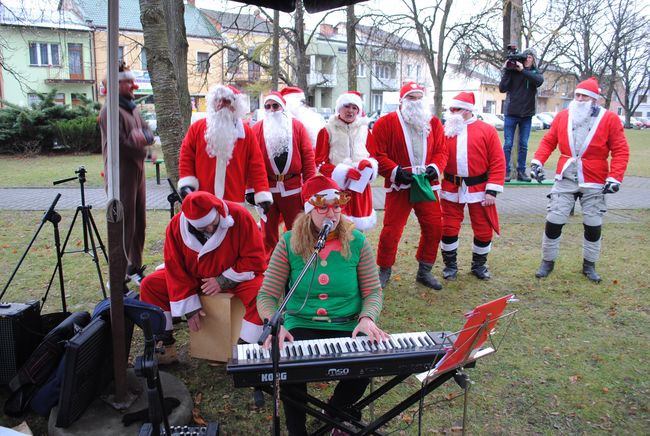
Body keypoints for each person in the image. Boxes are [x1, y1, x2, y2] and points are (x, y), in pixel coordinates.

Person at [257, 175, 388, 436]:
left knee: (364, 366)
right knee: (290, 367)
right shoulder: (288, 242)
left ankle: (335, 414)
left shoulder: (358, 241)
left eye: (337, 206)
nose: (333, 212)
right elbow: (267, 296)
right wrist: (276, 324)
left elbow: (373, 291)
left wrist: (367, 318)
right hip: (300, 323)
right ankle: (297, 430)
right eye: (324, 206)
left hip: (348, 323)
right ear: (309, 210)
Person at [140, 191, 267, 363]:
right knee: (150, 285)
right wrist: (189, 307)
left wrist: (223, 280)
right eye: (203, 227)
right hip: (193, 278)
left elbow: (255, 258)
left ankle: (247, 348)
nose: (209, 229)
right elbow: (174, 267)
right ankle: (164, 343)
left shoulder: (240, 216)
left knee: (261, 293)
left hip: (235, 277)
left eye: (213, 224)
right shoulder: (176, 226)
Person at [530, 77, 629, 282]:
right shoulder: (563, 116)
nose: (580, 99)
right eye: (577, 95)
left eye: (584, 96)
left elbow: (620, 150)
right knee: (554, 219)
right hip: (565, 176)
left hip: (595, 178)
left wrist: (615, 178)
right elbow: (549, 141)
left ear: (594, 99)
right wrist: (537, 162)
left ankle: (589, 265)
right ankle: (547, 262)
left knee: (593, 223)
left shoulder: (609, 119)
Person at [372, 82, 448, 290]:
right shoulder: (385, 123)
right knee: (391, 230)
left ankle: (425, 270)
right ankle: (384, 269)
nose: (415, 102)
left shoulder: (433, 123)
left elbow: (442, 151)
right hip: (400, 184)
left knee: (434, 227)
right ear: (402, 100)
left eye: (418, 98)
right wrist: (395, 171)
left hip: (426, 183)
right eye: (411, 98)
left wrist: (435, 167)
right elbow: (377, 154)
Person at [440, 92, 506, 280]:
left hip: (480, 189)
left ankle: (479, 266)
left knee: (483, 228)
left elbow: (497, 161)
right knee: (448, 227)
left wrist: (492, 190)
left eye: (457, 109)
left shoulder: (487, 130)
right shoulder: (446, 131)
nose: (452, 113)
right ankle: (450, 265)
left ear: (468, 110)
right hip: (451, 187)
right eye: (451, 109)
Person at [99, 62, 154, 286]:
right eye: (127, 82)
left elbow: (149, 132)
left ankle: (135, 267)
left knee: (139, 222)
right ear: (116, 84)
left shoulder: (132, 108)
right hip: (120, 173)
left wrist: (143, 137)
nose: (133, 86)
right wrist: (140, 143)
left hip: (137, 172)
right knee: (123, 224)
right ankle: (118, 275)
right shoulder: (109, 111)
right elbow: (119, 143)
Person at [177, 84, 272, 213]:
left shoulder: (247, 134)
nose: (221, 104)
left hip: (233, 200)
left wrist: (262, 193)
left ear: (235, 106)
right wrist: (187, 183)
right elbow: (186, 156)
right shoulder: (197, 128)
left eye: (226, 100)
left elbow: (256, 165)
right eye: (217, 100)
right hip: (202, 198)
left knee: (233, 232)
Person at [250, 91, 316, 258]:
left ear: (283, 107)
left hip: (292, 189)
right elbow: (250, 161)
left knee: (297, 230)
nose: (272, 110)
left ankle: (298, 264)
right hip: (267, 190)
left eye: (275, 105)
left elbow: (308, 157)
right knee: (267, 234)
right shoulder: (257, 128)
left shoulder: (296, 126)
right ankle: (268, 270)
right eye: (268, 106)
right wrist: (252, 189)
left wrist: (310, 189)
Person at [315, 90, 378, 232]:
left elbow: (374, 156)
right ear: (339, 108)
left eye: (354, 107)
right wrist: (343, 172)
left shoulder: (365, 130)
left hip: (360, 190)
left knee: (358, 230)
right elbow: (320, 162)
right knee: (338, 229)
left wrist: (369, 166)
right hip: (337, 189)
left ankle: (356, 253)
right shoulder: (327, 130)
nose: (350, 111)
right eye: (347, 106)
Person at [499, 47, 544, 182]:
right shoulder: (513, 72)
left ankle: (521, 172)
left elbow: (538, 81)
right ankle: (505, 171)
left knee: (523, 144)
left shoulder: (534, 73)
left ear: (533, 60)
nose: (528, 60)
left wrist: (523, 71)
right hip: (511, 113)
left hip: (527, 114)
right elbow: (502, 88)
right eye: (526, 57)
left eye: (530, 57)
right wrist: (507, 70)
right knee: (508, 143)